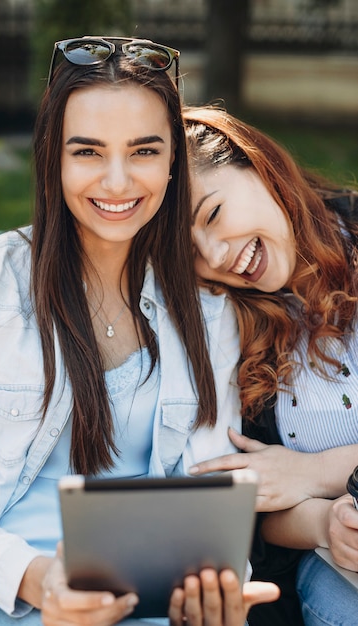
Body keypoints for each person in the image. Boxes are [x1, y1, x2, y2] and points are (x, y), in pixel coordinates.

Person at [0, 37, 278, 626]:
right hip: (9, 596)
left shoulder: (207, 310)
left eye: (144, 150)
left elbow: (210, 493)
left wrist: (217, 588)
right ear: (53, 158)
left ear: (174, 160)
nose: (117, 182)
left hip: (155, 602)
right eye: (88, 152)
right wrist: (43, 583)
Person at [183, 105, 358, 626]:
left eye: (212, 215)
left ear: (259, 166)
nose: (215, 256)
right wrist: (328, 522)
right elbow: (267, 511)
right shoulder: (233, 328)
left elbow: (290, 475)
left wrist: (315, 471)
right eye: (188, 253)